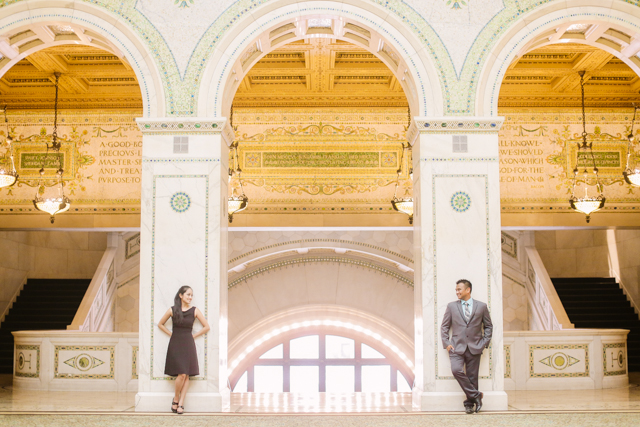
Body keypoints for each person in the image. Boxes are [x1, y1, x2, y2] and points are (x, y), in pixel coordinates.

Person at [440, 279, 493, 414]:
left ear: (467, 290)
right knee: (456, 370)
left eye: (459, 289)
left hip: (475, 347)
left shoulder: (481, 306)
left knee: (472, 377)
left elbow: (488, 326)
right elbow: (444, 326)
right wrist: (446, 343)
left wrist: (484, 343)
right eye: (456, 289)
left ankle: (469, 405)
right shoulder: (451, 306)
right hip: (456, 347)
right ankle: (476, 395)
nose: (457, 292)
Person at [158, 286, 210, 414]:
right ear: (181, 295)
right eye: (188, 295)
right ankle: (176, 397)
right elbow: (160, 324)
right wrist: (171, 334)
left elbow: (206, 327)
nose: (190, 297)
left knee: (186, 374)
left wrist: (193, 336)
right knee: (181, 374)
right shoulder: (172, 310)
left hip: (188, 343)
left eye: (191, 295)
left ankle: (180, 402)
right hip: (175, 343)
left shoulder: (195, 310)